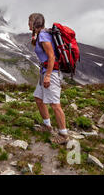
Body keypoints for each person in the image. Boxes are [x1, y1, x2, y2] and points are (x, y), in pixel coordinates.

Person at [29, 13, 69, 144]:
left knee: (55, 104)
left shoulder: (43, 35)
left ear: (35, 23)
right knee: (38, 98)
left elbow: (51, 57)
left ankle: (63, 135)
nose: (28, 24)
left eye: (29, 21)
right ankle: (47, 126)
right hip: (45, 72)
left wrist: (47, 76)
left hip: (51, 73)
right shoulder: (41, 35)